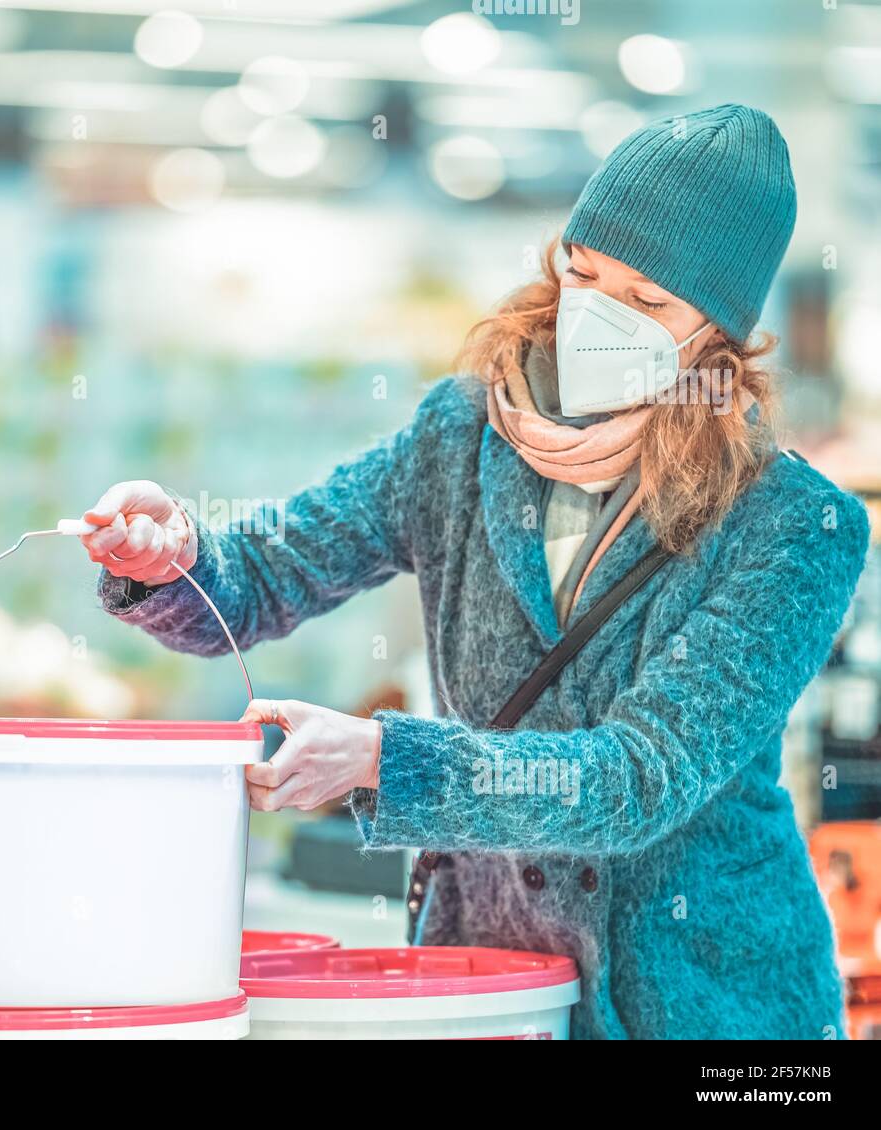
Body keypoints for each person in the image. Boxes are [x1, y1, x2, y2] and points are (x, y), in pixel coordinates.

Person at [75, 104, 868, 1039]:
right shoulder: (461, 433)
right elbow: (268, 569)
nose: (599, 316)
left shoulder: (792, 525)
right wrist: (174, 556)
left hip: (712, 1008)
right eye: (584, 274)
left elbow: (640, 779)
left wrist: (384, 758)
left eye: (648, 304)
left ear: (719, 332)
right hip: (494, 985)